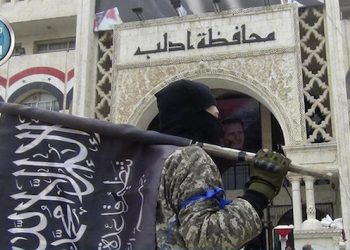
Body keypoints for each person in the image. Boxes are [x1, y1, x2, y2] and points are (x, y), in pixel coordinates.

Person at [155, 79, 291, 249]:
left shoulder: (152, 160)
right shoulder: (190, 157)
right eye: (214, 117)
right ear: (197, 118)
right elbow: (205, 240)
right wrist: (259, 193)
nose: (218, 127)